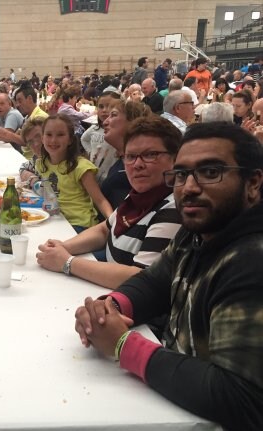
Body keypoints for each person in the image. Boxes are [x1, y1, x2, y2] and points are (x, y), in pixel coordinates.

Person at [74, 122, 263, 430]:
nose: (189, 187)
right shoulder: (201, 231)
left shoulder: (251, 261)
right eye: (181, 174)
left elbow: (240, 397)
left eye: (210, 172)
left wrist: (122, 346)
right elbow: (155, 282)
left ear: (253, 182)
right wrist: (110, 308)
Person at [36, 116, 182, 289]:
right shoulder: (139, 195)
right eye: (131, 156)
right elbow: (105, 230)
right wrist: (63, 246)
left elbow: (141, 277)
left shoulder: (173, 208)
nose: (137, 164)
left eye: (151, 155)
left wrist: (67, 262)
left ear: (176, 159)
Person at [35, 114, 112, 231]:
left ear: (70, 139)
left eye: (60, 135)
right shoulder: (41, 164)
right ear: (42, 138)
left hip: (79, 225)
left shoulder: (81, 167)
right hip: (55, 219)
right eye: (49, 134)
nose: (53, 140)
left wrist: (113, 224)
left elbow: (100, 200)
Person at [100, 100, 153, 209]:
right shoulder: (121, 162)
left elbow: (124, 218)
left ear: (133, 122)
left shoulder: (137, 168)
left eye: (113, 115)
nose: (105, 122)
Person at [80, 91, 122, 184]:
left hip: (111, 174)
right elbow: (84, 139)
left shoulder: (119, 131)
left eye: (110, 107)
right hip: (94, 170)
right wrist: (90, 151)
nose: (104, 110)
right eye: (101, 106)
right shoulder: (94, 128)